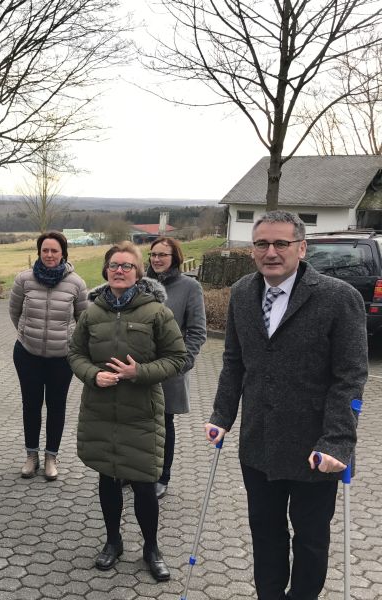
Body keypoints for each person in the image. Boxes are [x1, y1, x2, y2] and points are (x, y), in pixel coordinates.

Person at [206, 210, 366, 600]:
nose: (271, 252)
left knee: (310, 540)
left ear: (301, 247)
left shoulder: (338, 297)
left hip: (316, 449)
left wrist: (336, 442)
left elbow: (350, 377)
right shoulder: (243, 292)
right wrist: (221, 415)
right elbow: (234, 361)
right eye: (262, 243)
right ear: (252, 250)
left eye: (281, 243)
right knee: (265, 533)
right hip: (258, 443)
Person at [69, 241, 186, 582]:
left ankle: (152, 547)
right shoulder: (91, 313)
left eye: (127, 266)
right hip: (100, 410)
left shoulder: (156, 313)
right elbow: (75, 354)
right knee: (107, 477)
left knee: (145, 483)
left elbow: (177, 358)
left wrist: (139, 373)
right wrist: (93, 374)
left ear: (138, 273)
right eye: (114, 265)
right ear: (106, 271)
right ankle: (113, 541)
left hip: (142, 412)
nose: (120, 270)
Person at [9, 231, 87, 480]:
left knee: (56, 406)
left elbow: (83, 321)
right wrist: (26, 333)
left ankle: (51, 457)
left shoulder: (76, 283)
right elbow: (14, 311)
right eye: (45, 250)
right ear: (39, 252)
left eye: (54, 250)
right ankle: (31, 456)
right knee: (30, 405)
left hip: (62, 358)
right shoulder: (24, 279)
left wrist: (70, 344)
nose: (49, 255)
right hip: (27, 355)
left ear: (63, 253)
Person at [146, 236, 206, 499]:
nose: (157, 259)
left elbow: (198, 331)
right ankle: (134, 471)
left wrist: (182, 363)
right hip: (138, 366)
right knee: (138, 421)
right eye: (153, 254)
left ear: (175, 258)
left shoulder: (189, 287)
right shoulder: (141, 284)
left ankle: (162, 475)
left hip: (170, 368)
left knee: (164, 421)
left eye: (163, 255)